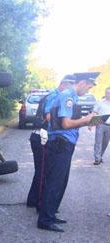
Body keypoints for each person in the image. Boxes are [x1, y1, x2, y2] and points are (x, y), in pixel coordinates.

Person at [37, 72, 99, 232]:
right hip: (60, 143)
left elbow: (70, 122)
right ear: (83, 82)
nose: (89, 90)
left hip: (64, 143)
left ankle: (50, 215)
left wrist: (91, 121)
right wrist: (86, 120)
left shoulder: (72, 96)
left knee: (61, 182)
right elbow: (65, 124)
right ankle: (45, 220)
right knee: (55, 182)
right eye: (90, 86)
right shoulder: (67, 96)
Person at [26, 75, 75, 210]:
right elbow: (49, 117)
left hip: (40, 136)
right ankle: (40, 204)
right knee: (44, 172)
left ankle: (34, 200)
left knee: (42, 171)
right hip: (42, 137)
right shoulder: (55, 96)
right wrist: (68, 122)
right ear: (65, 84)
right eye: (72, 85)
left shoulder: (55, 94)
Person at [92, 87, 110, 165]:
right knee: (98, 142)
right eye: (107, 93)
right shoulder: (100, 102)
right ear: (105, 93)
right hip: (100, 124)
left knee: (105, 142)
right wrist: (91, 124)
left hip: (109, 126)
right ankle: (97, 158)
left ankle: (100, 156)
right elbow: (95, 112)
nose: (108, 95)